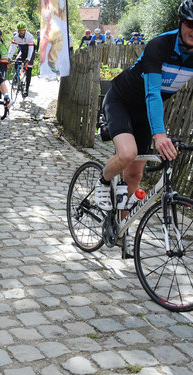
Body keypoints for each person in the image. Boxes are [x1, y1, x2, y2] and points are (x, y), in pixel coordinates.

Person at [94, 0, 193, 256]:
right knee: (127, 154)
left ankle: (121, 228)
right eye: (191, 24)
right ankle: (103, 182)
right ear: (181, 23)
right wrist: (160, 134)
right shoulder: (159, 46)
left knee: (135, 174)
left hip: (144, 115)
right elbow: (152, 94)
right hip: (121, 100)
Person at [8, 21, 35, 97]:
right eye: (19, 30)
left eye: (22, 30)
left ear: (25, 30)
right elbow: (13, 47)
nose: (21, 32)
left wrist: (28, 59)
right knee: (17, 61)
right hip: (22, 52)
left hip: (30, 52)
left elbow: (31, 49)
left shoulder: (29, 36)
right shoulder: (16, 37)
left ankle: (26, 88)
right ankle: (17, 79)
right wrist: (9, 57)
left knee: (29, 70)